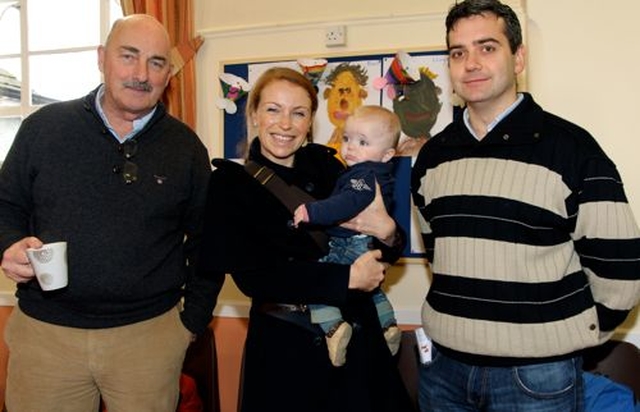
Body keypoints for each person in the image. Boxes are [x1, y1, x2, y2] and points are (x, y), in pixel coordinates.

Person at [410, 1, 640, 411]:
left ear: (518, 58)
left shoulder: (573, 150)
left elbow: (620, 271)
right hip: (443, 372)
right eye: (458, 52)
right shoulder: (433, 157)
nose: (471, 63)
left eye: (487, 47)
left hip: (538, 377)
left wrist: (568, 336)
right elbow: (438, 254)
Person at [0, 14, 221, 412]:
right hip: (46, 336)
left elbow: (210, 240)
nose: (141, 74)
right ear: (102, 58)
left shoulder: (185, 149)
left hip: (149, 338)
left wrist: (191, 323)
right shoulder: (43, 130)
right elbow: (6, 204)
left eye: (156, 62)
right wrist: (8, 245)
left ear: (168, 74)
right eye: (128, 56)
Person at [197, 67, 415, 412]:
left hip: (357, 338)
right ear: (254, 114)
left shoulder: (332, 168)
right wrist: (346, 278)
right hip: (285, 346)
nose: (285, 124)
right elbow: (253, 277)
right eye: (273, 109)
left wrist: (389, 234)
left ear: (311, 120)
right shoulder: (229, 184)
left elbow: (381, 239)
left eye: (298, 113)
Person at [292, 105, 402, 367]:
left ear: (387, 154)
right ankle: (388, 325)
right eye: (347, 138)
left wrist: (312, 211)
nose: (351, 147)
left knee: (319, 283)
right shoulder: (370, 172)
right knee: (372, 289)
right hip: (364, 244)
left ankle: (333, 328)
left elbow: (349, 201)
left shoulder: (363, 177)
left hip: (349, 243)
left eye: (363, 142)